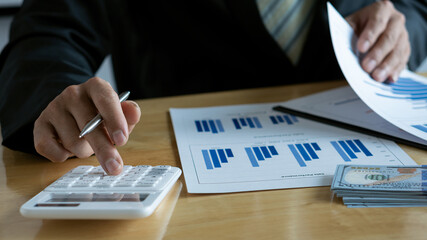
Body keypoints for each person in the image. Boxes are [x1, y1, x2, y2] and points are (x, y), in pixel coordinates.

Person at [0, 0, 426, 175]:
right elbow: (49, 30)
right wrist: (57, 97)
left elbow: (415, 6)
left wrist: (405, 26)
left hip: (363, 142)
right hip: (186, 168)